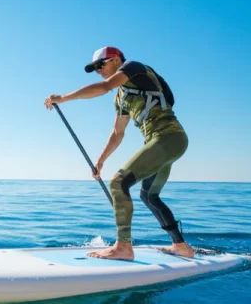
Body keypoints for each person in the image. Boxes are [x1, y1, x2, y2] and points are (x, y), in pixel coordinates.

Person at [43, 46, 194, 260]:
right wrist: (100, 162)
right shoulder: (121, 98)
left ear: (115, 59)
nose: (98, 70)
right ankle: (181, 246)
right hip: (163, 143)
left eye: (100, 65)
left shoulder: (133, 67)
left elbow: (104, 87)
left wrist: (63, 98)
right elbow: (117, 133)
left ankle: (123, 247)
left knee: (117, 183)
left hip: (168, 137)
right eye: (94, 68)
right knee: (149, 196)